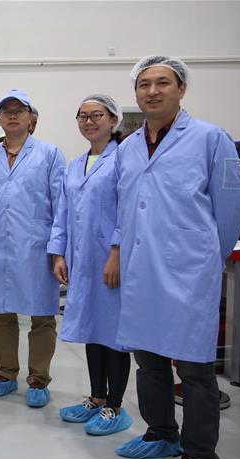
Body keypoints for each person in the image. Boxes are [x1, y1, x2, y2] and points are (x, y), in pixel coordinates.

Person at [112, 56, 240, 459]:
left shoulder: (210, 138)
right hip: (142, 269)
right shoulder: (130, 145)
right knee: (148, 360)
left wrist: (210, 254)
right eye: (144, 84)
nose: (152, 91)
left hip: (188, 270)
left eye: (162, 83)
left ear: (181, 89)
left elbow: (232, 203)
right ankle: (161, 433)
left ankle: (200, 455)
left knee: (193, 368)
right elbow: (125, 206)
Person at [48, 94, 133, 436]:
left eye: (96, 115)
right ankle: (96, 398)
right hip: (81, 262)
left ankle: (115, 405)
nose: (88, 121)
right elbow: (62, 214)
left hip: (110, 261)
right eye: (82, 116)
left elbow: (128, 210)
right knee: (91, 330)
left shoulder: (123, 160)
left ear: (113, 121)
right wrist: (58, 254)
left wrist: (116, 252)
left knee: (113, 334)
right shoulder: (75, 164)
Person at [0, 89, 66, 408]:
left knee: (42, 316)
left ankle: (39, 378)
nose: (12, 114)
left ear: (31, 118)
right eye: (6, 110)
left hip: (37, 247)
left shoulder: (49, 154)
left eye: (19, 109)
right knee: (1, 314)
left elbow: (61, 205)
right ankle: (4, 374)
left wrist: (59, 249)